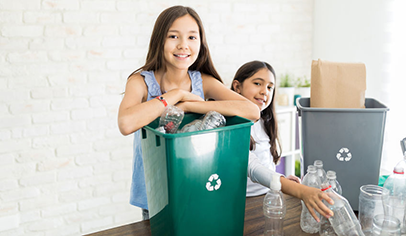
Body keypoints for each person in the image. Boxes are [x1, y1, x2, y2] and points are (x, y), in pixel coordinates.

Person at [117, 6, 260, 220]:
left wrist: (190, 105)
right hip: (157, 195)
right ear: (160, 40)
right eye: (173, 36)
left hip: (199, 186)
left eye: (192, 37)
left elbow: (252, 111)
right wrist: (176, 95)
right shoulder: (141, 83)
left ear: (200, 43)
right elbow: (126, 124)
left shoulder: (203, 81)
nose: (183, 45)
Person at [231, 60, 333, 221]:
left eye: (270, 87)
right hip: (245, 203)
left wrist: (282, 178)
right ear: (237, 87)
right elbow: (254, 168)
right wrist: (292, 188)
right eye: (258, 83)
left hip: (269, 195)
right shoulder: (232, 126)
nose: (265, 91)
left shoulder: (265, 122)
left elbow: (266, 164)